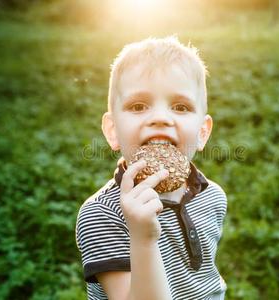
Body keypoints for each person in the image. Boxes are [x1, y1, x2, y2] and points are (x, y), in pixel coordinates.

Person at [75, 36, 227, 300]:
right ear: (113, 131)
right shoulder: (102, 215)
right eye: (138, 106)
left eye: (180, 107)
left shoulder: (212, 197)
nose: (159, 118)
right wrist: (142, 238)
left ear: (202, 132)